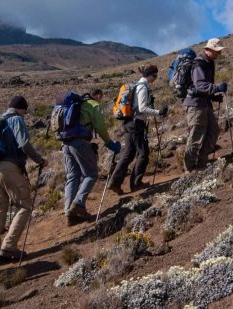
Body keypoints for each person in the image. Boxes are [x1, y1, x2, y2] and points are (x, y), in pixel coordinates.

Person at [0, 96, 47, 268]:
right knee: (25, 205)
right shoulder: (16, 120)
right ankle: (9, 247)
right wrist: (39, 160)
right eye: (25, 111)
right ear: (20, 109)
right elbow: (24, 144)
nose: (25, 114)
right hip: (8, 168)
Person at [63, 89, 121, 225]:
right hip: (79, 142)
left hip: (65, 143)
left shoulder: (78, 104)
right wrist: (109, 143)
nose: (101, 99)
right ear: (98, 96)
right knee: (91, 174)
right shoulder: (93, 105)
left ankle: (68, 213)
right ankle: (77, 204)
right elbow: (100, 127)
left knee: (72, 176)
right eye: (101, 97)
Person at [108, 64, 167, 194]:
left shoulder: (138, 86)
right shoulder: (142, 88)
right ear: (149, 75)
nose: (155, 79)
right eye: (154, 76)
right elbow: (142, 109)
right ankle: (136, 184)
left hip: (129, 123)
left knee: (128, 154)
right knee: (143, 153)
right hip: (136, 124)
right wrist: (159, 112)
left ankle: (115, 182)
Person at [183, 38, 227, 172]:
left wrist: (214, 96)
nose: (219, 54)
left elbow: (203, 86)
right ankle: (189, 169)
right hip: (195, 104)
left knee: (213, 131)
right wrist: (217, 88)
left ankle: (202, 162)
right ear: (209, 50)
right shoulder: (199, 64)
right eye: (217, 51)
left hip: (204, 103)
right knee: (196, 136)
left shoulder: (209, 62)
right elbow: (200, 85)